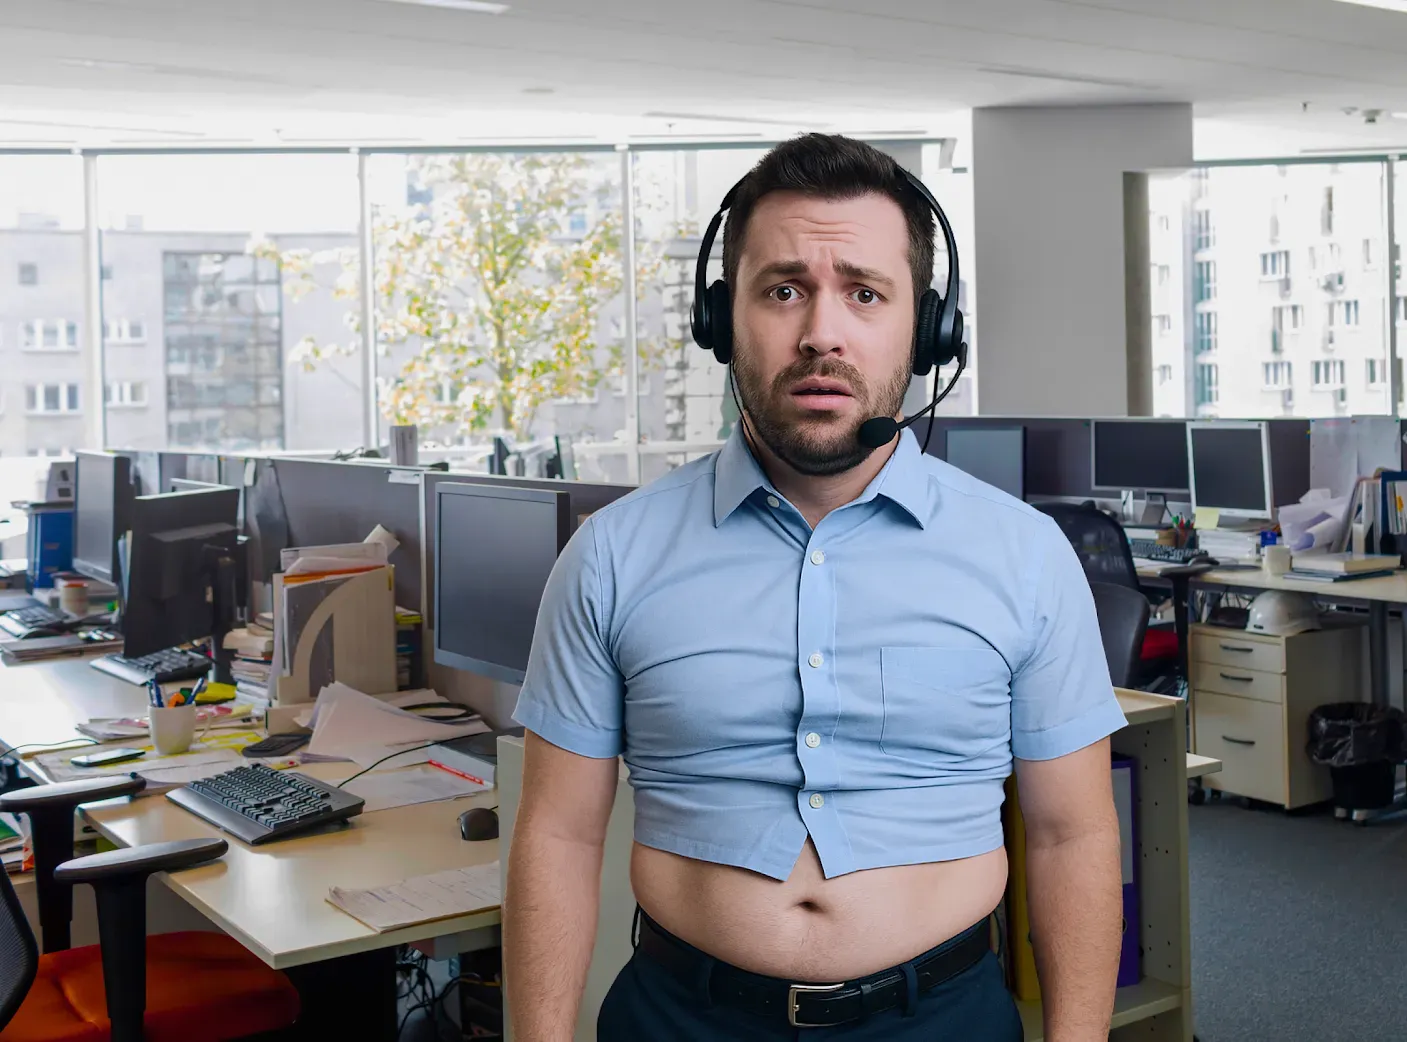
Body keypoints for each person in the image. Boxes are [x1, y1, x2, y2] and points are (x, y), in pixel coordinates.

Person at [504, 133, 1126, 1041]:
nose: (821, 334)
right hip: (680, 1020)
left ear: (927, 329)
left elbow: (1074, 835)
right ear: (720, 320)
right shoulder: (610, 555)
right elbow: (556, 836)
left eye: (864, 293)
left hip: (941, 1019)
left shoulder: (1025, 556)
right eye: (782, 290)